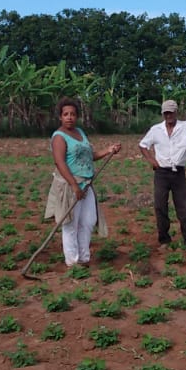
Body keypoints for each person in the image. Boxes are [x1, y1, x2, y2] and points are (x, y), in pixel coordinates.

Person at [45, 98, 122, 268]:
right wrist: (73, 185)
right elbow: (60, 163)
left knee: (88, 220)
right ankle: (72, 261)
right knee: (71, 223)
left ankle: (84, 258)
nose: (69, 117)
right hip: (70, 184)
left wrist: (109, 150)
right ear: (60, 117)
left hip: (86, 184)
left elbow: (90, 156)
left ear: (77, 116)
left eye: (73, 114)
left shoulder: (80, 132)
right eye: (66, 114)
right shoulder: (59, 137)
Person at [138, 99, 186, 252]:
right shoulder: (155, 130)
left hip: (178, 173)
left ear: (176, 112)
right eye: (166, 113)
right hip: (161, 173)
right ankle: (164, 240)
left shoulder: (185, 126)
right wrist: (152, 160)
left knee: (184, 208)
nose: (168, 115)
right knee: (160, 206)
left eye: (171, 112)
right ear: (163, 114)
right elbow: (143, 145)